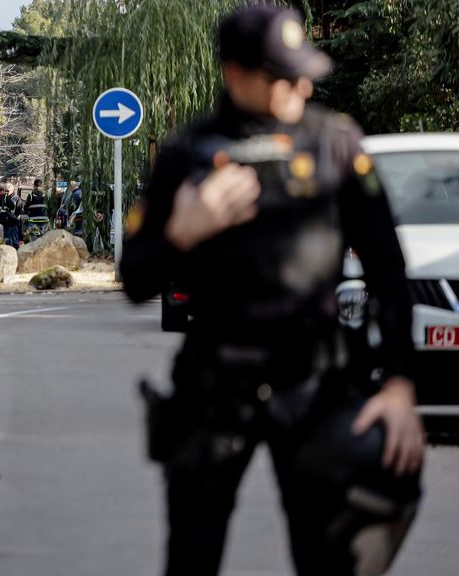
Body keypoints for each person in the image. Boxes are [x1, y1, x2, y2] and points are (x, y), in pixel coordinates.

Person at [121, 6, 423, 576]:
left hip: (315, 386)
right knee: (191, 558)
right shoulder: (188, 155)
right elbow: (136, 282)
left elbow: (388, 269)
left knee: (328, 560)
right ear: (236, 74)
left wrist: (401, 383)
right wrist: (181, 233)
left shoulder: (336, 146)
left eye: (302, 71)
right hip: (214, 389)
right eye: (283, 77)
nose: (302, 86)